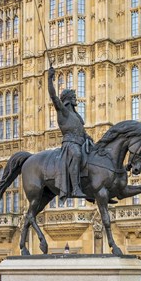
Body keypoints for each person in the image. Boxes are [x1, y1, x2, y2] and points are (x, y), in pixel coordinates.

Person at [48, 66, 92, 201]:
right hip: (70, 144)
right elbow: (54, 97)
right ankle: (75, 188)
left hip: (81, 142)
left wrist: (88, 137)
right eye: (73, 97)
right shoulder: (64, 112)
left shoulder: (76, 116)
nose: (75, 99)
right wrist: (50, 78)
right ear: (68, 98)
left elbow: (82, 131)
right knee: (77, 155)